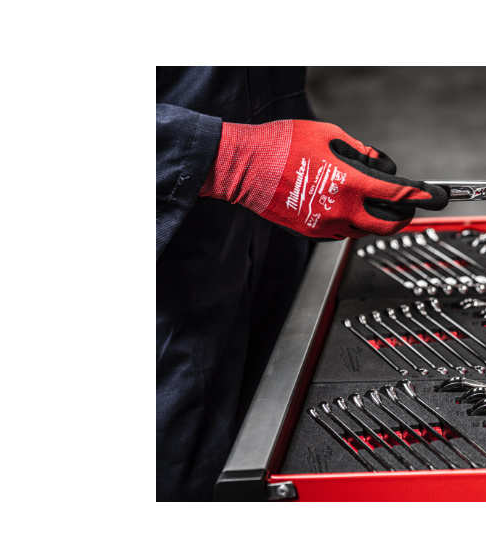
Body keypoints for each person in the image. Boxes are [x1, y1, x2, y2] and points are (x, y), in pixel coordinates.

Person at [156, 67, 448, 501]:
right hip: (166, 277)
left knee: (275, 432)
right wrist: (229, 157)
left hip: (270, 226)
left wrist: (300, 150)